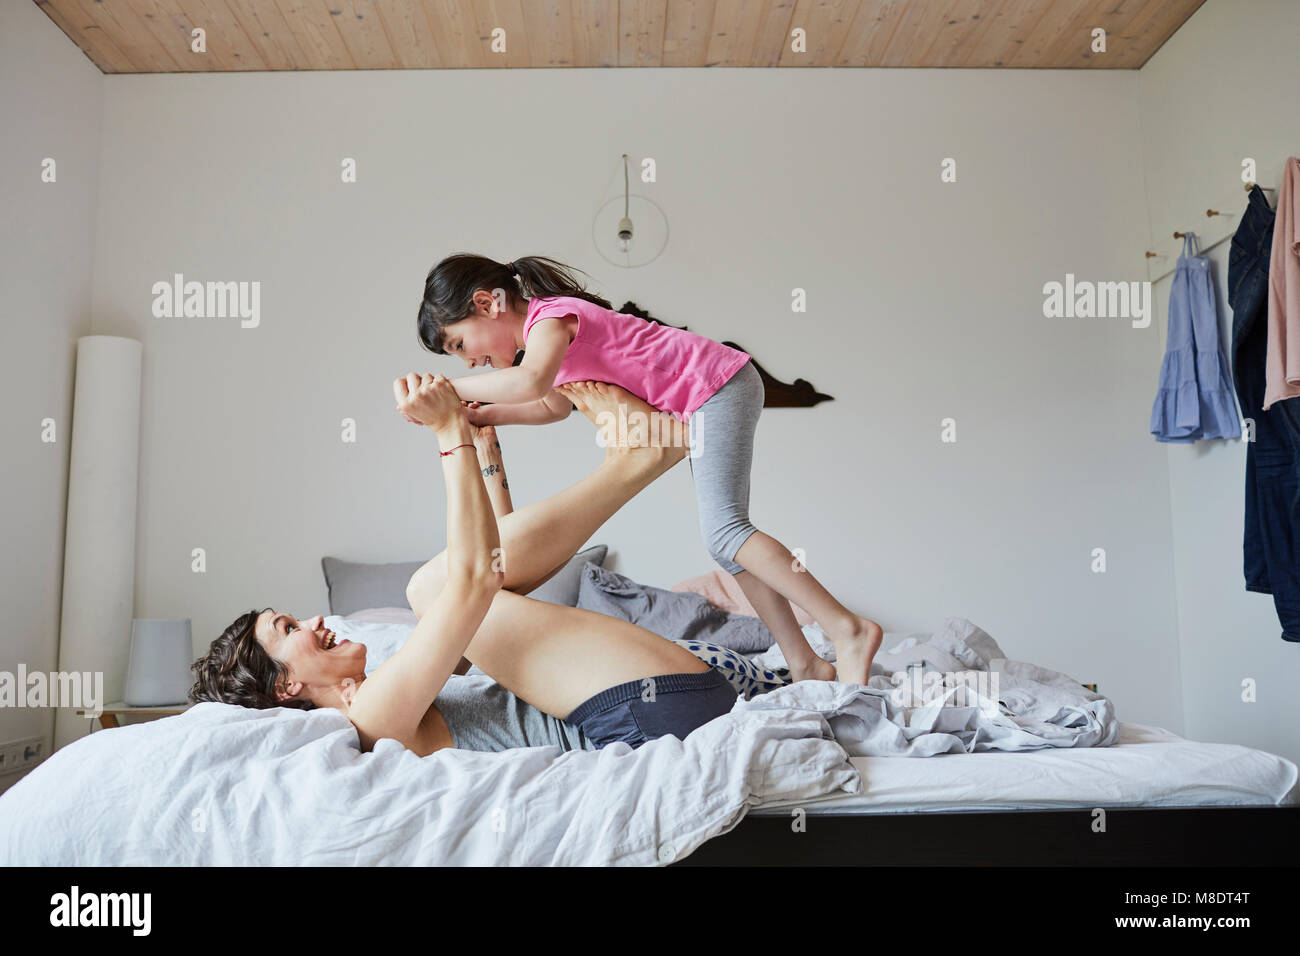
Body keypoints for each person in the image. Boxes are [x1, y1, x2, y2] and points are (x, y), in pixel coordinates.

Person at [189, 376, 737, 755]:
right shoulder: (373, 716)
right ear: (285, 687)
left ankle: (642, 457)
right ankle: (639, 459)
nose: (314, 622)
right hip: (649, 719)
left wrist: (486, 453)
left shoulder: (396, 685)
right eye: (290, 630)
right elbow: (474, 583)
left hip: (661, 702)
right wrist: (448, 433)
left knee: (443, 595)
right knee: (430, 589)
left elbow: (496, 581)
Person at [415, 253, 883, 683]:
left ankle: (848, 629)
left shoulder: (550, 317)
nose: (469, 359)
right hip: (709, 396)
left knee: (726, 531)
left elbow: (529, 381)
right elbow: (551, 406)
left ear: (486, 303)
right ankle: (804, 661)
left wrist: (445, 390)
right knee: (725, 546)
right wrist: (480, 415)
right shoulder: (544, 347)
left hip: (718, 386)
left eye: (459, 344)